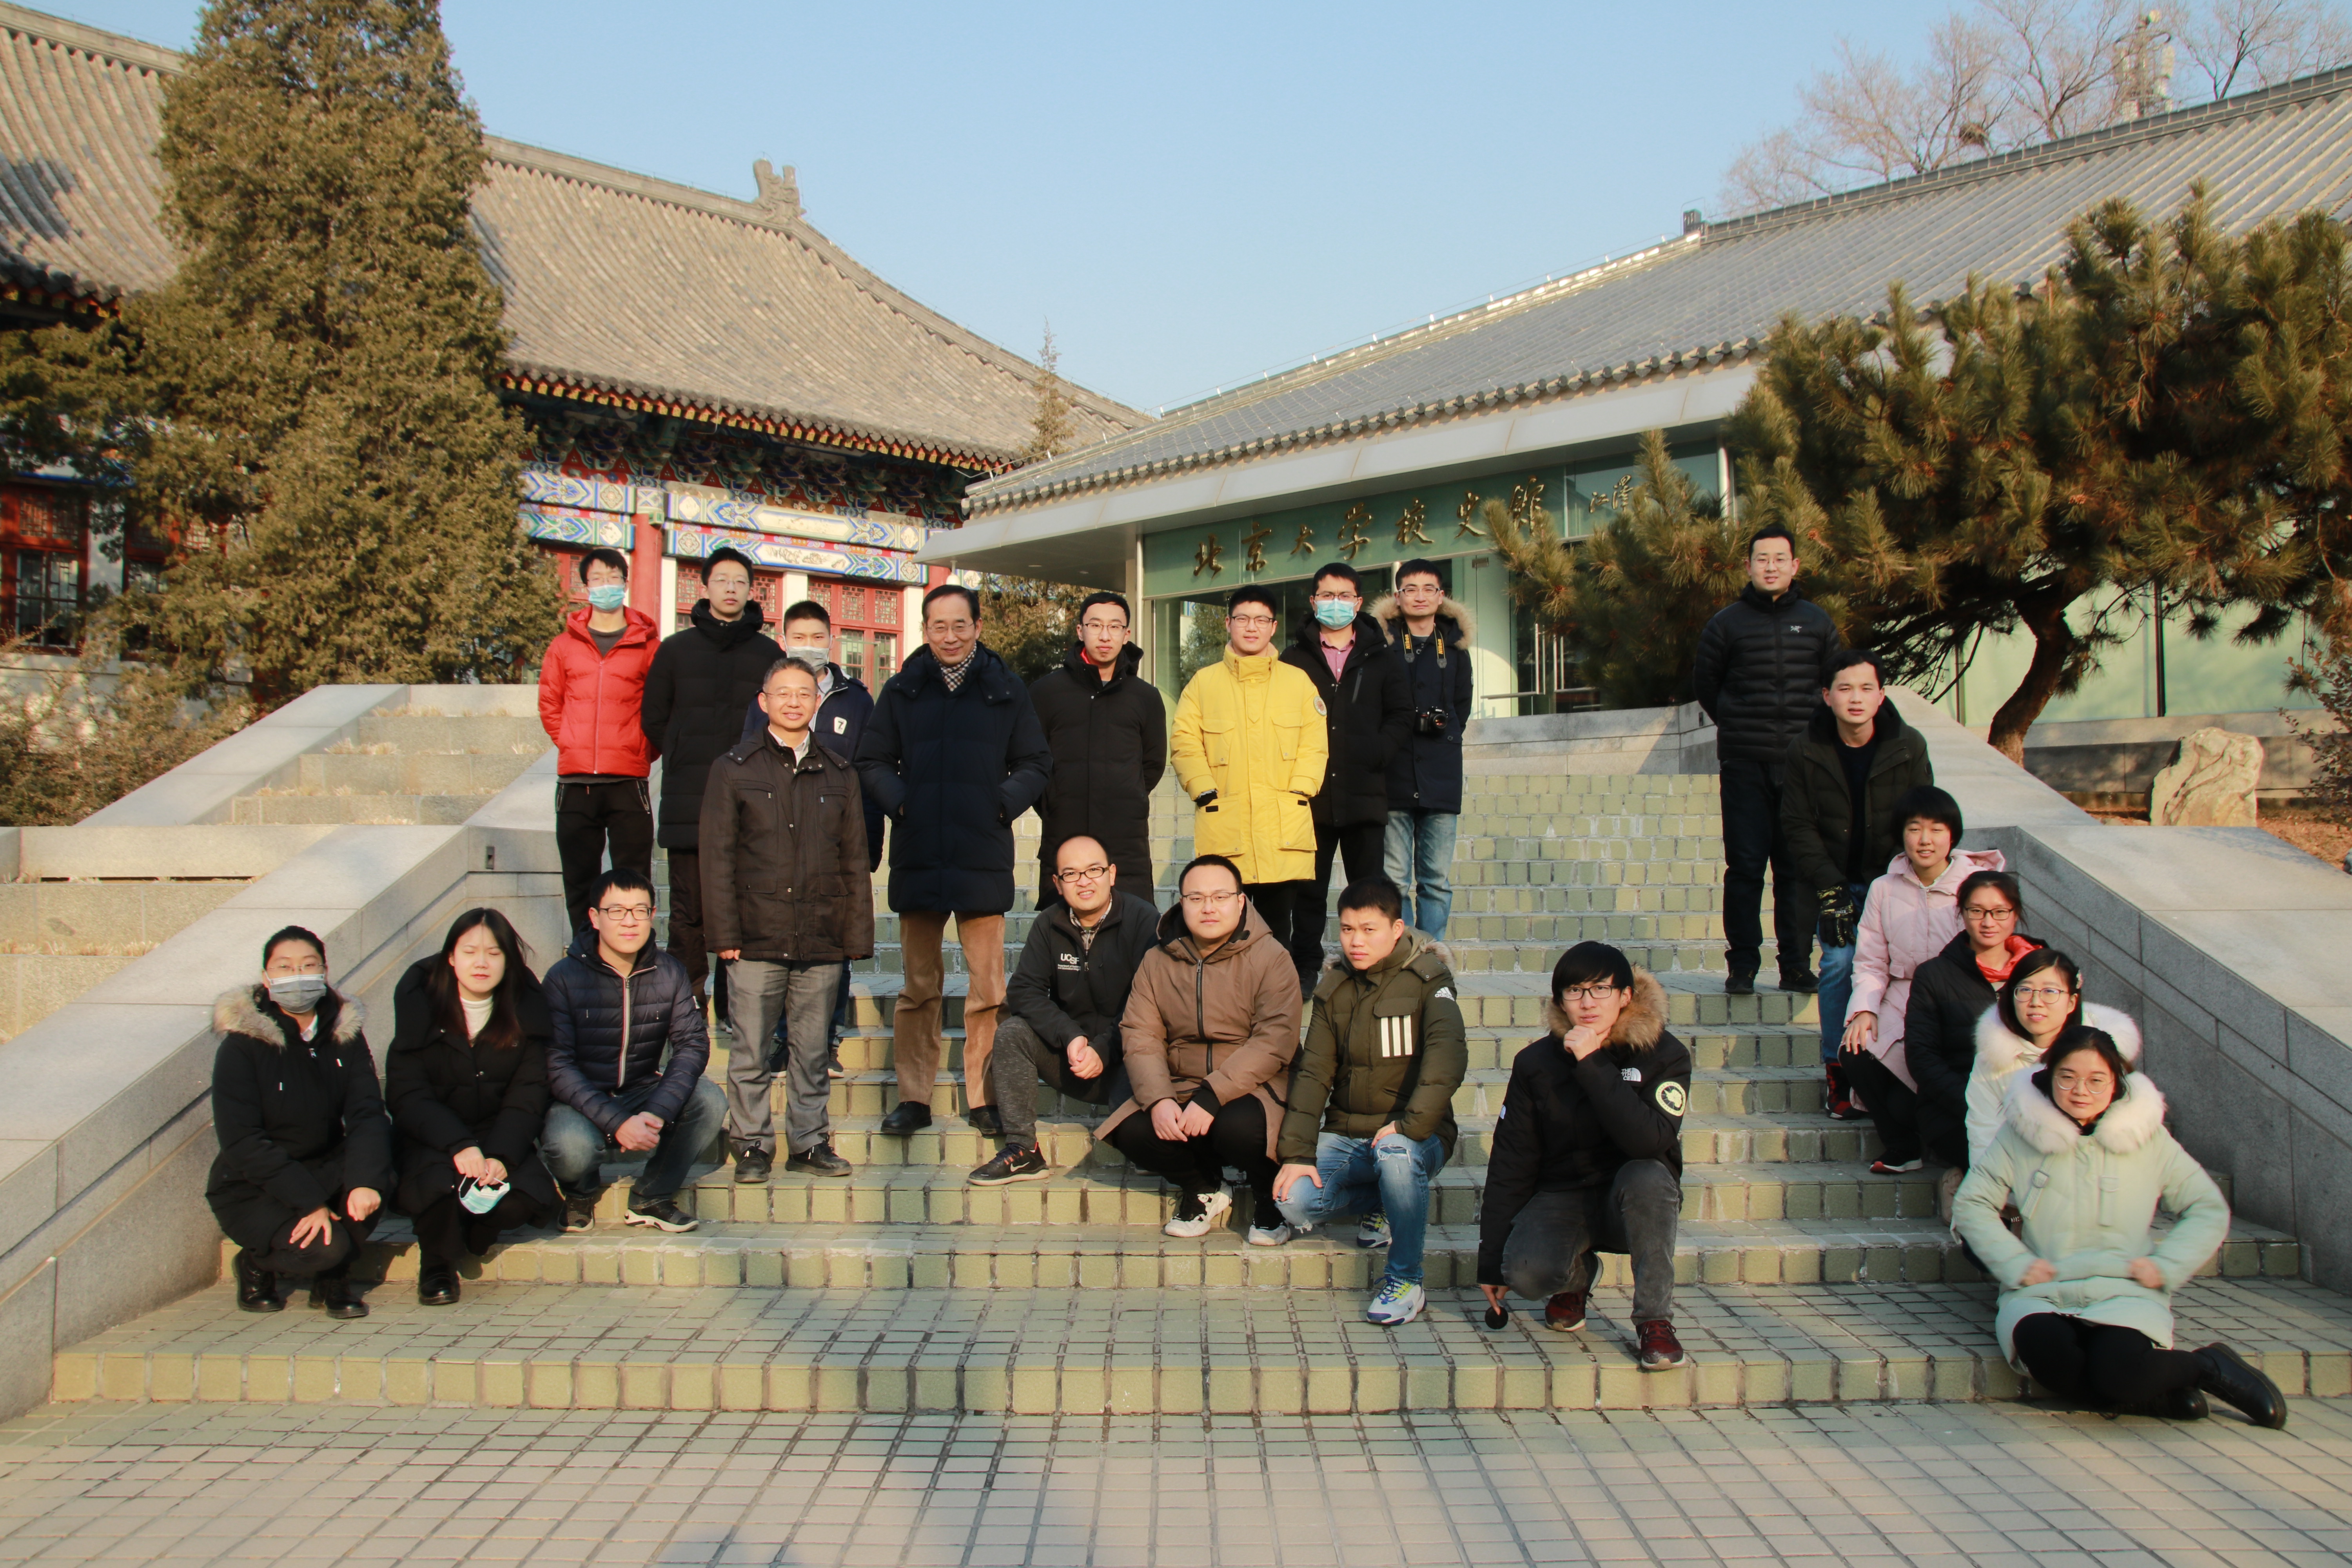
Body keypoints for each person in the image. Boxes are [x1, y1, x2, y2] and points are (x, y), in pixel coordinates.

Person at [1953, 1026, 2286, 1427]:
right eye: (2067, 1077)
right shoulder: (2020, 1133)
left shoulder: (2146, 1138)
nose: (2080, 1091)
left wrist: (2166, 1266)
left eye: (2097, 1080)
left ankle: (2207, 1366)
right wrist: (2014, 1263)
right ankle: (2155, 1399)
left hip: (2123, 1289)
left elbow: (2207, 1207)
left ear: (2116, 1082)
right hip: (2042, 1291)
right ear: (2049, 1076)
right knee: (2049, 1359)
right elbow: (1973, 1203)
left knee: (2120, 1373)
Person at [855, 582, 1053, 1138]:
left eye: (960, 625)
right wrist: (903, 803)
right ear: (925, 630)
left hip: (981, 849)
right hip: (919, 848)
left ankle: (985, 1097)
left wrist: (1000, 804)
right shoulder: (902, 690)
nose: (949, 636)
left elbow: (1036, 761)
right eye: (938, 626)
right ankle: (914, 1098)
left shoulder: (1006, 688)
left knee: (988, 989)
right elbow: (871, 760)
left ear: (978, 627)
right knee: (919, 986)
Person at [1477, 941, 1692, 1371]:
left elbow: (1649, 1142)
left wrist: (1593, 1063)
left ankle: (1654, 1320)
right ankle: (1576, 1277)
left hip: (1634, 1200)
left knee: (1650, 1175)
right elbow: (1511, 1161)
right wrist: (1491, 1261)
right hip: (1565, 1194)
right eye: (1575, 991)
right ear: (1560, 1000)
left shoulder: (1665, 1055)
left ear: (1625, 996)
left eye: (1601, 990)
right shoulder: (1536, 1063)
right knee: (1525, 1273)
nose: (1588, 1003)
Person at [704, 658, 874, 1183]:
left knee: (812, 1049)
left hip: (821, 934)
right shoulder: (733, 768)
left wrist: (855, 935)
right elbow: (717, 857)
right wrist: (724, 935)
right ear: (764, 701)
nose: (794, 702)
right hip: (756, 933)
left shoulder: (840, 773)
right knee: (751, 1050)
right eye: (783, 693)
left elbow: (854, 861)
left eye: (804, 693)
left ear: (817, 702)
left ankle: (809, 1140)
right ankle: (752, 1145)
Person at [1272, 877, 1466, 1326]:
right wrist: (1297, 1153)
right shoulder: (1335, 986)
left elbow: (1447, 1058)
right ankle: (1385, 1200)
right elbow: (1314, 1072)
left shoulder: (1429, 979)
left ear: (1397, 929)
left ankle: (1406, 1279)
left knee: (1395, 1155)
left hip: (1416, 1135)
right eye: (1347, 929)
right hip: (1349, 1133)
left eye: (1368, 929)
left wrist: (1410, 1126)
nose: (1355, 941)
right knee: (1293, 1200)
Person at [1097, 853, 1301, 1243]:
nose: (1209, 907)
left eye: (1220, 897)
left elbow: (1275, 1039)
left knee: (1237, 1127)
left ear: (1241, 902)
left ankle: (1268, 1193)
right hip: (1182, 1082)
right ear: (1181, 903)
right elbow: (1140, 1033)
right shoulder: (1157, 960)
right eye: (1196, 898)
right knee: (1131, 1128)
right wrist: (1159, 1098)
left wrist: (1213, 1094)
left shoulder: (1271, 956)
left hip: (1255, 1085)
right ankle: (1203, 1186)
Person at [207, 926, 391, 1319]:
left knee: (380, 1172)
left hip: (324, 1167)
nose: (298, 976)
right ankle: (257, 1263)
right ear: (266, 977)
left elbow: (367, 1113)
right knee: (326, 1247)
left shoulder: (344, 1036)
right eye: (285, 967)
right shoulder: (243, 1046)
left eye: (308, 966)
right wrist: (311, 1202)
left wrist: (365, 1180)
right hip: (255, 1184)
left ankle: (333, 1278)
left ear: (324, 972)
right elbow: (242, 1141)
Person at [1691, 523, 1843, 995]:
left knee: (1796, 869)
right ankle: (1742, 965)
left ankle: (1795, 964)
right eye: (1762, 559)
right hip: (1745, 763)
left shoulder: (1817, 623)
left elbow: (1834, 685)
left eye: (1780, 559)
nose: (1771, 567)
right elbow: (1707, 684)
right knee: (1745, 868)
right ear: (1748, 566)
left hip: (1802, 766)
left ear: (1795, 565)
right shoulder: (1726, 624)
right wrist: (1740, 724)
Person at [1782, 649, 1934, 1116]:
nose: (1856, 698)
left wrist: (1904, 874)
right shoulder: (1806, 749)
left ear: (1882, 695)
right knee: (1839, 962)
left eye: (1867, 688)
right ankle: (1839, 1069)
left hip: (1893, 878)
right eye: (1845, 688)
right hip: (1833, 881)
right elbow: (1796, 824)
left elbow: (1922, 814)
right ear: (1827, 696)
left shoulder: (1908, 745)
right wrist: (1831, 889)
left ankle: (1897, 1066)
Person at [640, 546, 784, 1033]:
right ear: (704, 587)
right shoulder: (675, 650)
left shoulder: (768, 655)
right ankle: (686, 1007)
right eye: (721, 580)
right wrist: (682, 751)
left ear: (750, 590)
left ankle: (731, 1008)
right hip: (690, 797)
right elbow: (654, 718)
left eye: (739, 581)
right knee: (688, 912)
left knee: (744, 908)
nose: (730, 588)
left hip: (751, 804)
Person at [539, 868, 727, 1233]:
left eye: (640, 911)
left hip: (641, 1089)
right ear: (595, 917)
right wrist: (619, 1123)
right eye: (617, 911)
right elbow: (557, 1065)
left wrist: (658, 1112)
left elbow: (692, 1043)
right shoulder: (564, 977)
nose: (629, 921)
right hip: (579, 1099)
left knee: (709, 1100)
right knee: (571, 1147)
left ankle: (652, 1196)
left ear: (652, 915)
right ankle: (579, 1193)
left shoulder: (669, 972)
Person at [967, 833, 1160, 1186]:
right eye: (1071, 874)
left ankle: (1151, 1144)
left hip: (1130, 1060)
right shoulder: (1049, 923)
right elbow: (1024, 991)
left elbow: (1151, 1003)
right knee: (1013, 1033)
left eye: (1094, 870)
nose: (1084, 881)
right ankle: (1023, 1149)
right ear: (1057, 883)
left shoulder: (1143, 920)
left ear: (1112, 874)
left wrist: (1104, 1049)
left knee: (1145, 1137)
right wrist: (1070, 1036)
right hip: (1076, 1058)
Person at [386, 909, 556, 1307]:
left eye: (494, 953)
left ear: (509, 961)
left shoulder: (526, 1011)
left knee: (522, 1198)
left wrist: (501, 1155)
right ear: (451, 957)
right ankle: (437, 1267)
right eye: (470, 952)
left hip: (496, 1132)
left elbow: (528, 1094)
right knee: (439, 1187)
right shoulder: (421, 1007)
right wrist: (458, 1144)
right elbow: (408, 1093)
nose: (481, 963)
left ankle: (473, 1233)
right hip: (433, 1137)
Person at [1837, 786, 2004, 1176]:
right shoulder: (1884, 888)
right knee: (1856, 1050)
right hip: (1902, 994)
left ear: (1953, 835)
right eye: (1914, 829)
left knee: (1934, 1080)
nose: (1925, 840)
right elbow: (1871, 961)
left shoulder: (1977, 885)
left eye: (1936, 829)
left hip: (1960, 998)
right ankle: (1902, 1144)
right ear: (1902, 834)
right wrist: (1864, 1009)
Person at [1169, 584, 1327, 989]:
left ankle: (1277, 1008)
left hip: (1281, 828)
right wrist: (1204, 790)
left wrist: (1300, 790)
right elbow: (1185, 742)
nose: (1251, 627)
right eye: (1243, 618)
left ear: (1274, 627)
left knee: (1276, 933)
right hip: (1227, 825)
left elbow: (1315, 745)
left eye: (1261, 620)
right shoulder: (1203, 684)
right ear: (1228, 624)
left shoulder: (1298, 683)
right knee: (1223, 930)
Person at [760, 599, 884, 1082]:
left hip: (835, 847)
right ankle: (784, 1040)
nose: (809, 646)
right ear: (783, 639)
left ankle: (828, 1040)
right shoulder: (769, 695)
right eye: (799, 637)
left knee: (834, 949)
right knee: (783, 946)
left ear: (832, 641)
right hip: (778, 845)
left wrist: (868, 844)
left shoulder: (857, 701)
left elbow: (871, 774)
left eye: (818, 638)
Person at [1280, 562, 1411, 988]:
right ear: (1313, 600)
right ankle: (1305, 965)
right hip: (1310, 796)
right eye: (1326, 595)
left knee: (1369, 891)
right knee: (1308, 891)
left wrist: (1378, 752)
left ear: (1358, 602)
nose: (1335, 603)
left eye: (1344, 596)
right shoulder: (1294, 658)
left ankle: (1372, 966)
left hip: (1364, 793)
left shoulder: (1381, 656)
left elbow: (1401, 714)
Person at [1902, 870, 2047, 1217]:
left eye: (2000, 912)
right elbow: (1922, 1057)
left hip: (2035, 1099)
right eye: (1977, 911)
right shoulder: (1934, 975)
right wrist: (1977, 1102)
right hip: (1957, 1107)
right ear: (1962, 913)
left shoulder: (2044, 972)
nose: (1988, 922)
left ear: (2015, 914)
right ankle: (1973, 1194)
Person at [538, 548, 659, 935]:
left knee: (633, 881)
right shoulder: (563, 646)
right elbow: (550, 703)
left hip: (628, 780)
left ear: (625, 583)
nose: (606, 585)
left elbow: (660, 707)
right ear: (586, 586)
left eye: (613, 577)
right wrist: (570, 742)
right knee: (579, 881)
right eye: (597, 579)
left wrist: (641, 750)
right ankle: (584, 954)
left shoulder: (648, 645)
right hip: (577, 782)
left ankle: (634, 952)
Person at [1028, 590, 1166, 907]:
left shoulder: (1145, 697)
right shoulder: (1046, 692)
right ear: (1080, 631)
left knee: (1130, 924)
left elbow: (1153, 763)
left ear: (1126, 634)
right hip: (1064, 829)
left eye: (1115, 627)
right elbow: (1033, 759)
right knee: (1062, 928)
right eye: (1095, 625)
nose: (1105, 636)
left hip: (1125, 837)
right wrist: (1053, 801)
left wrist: (1128, 794)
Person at [1373, 560, 1475, 938]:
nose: (1420, 596)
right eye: (1410, 589)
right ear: (1397, 597)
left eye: (1428, 589)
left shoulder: (1456, 648)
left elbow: (1461, 707)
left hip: (1441, 775)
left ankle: (1431, 955)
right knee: (1395, 879)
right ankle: (1403, 951)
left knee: (1436, 881)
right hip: (1394, 773)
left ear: (1441, 596)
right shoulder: (1381, 646)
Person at [1971, 950, 2141, 1162]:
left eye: (2050, 991)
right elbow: (1984, 1133)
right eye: (2025, 990)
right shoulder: (1993, 1059)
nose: (2036, 1002)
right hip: (2021, 1173)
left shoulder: (2103, 1051)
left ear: (2071, 1002)